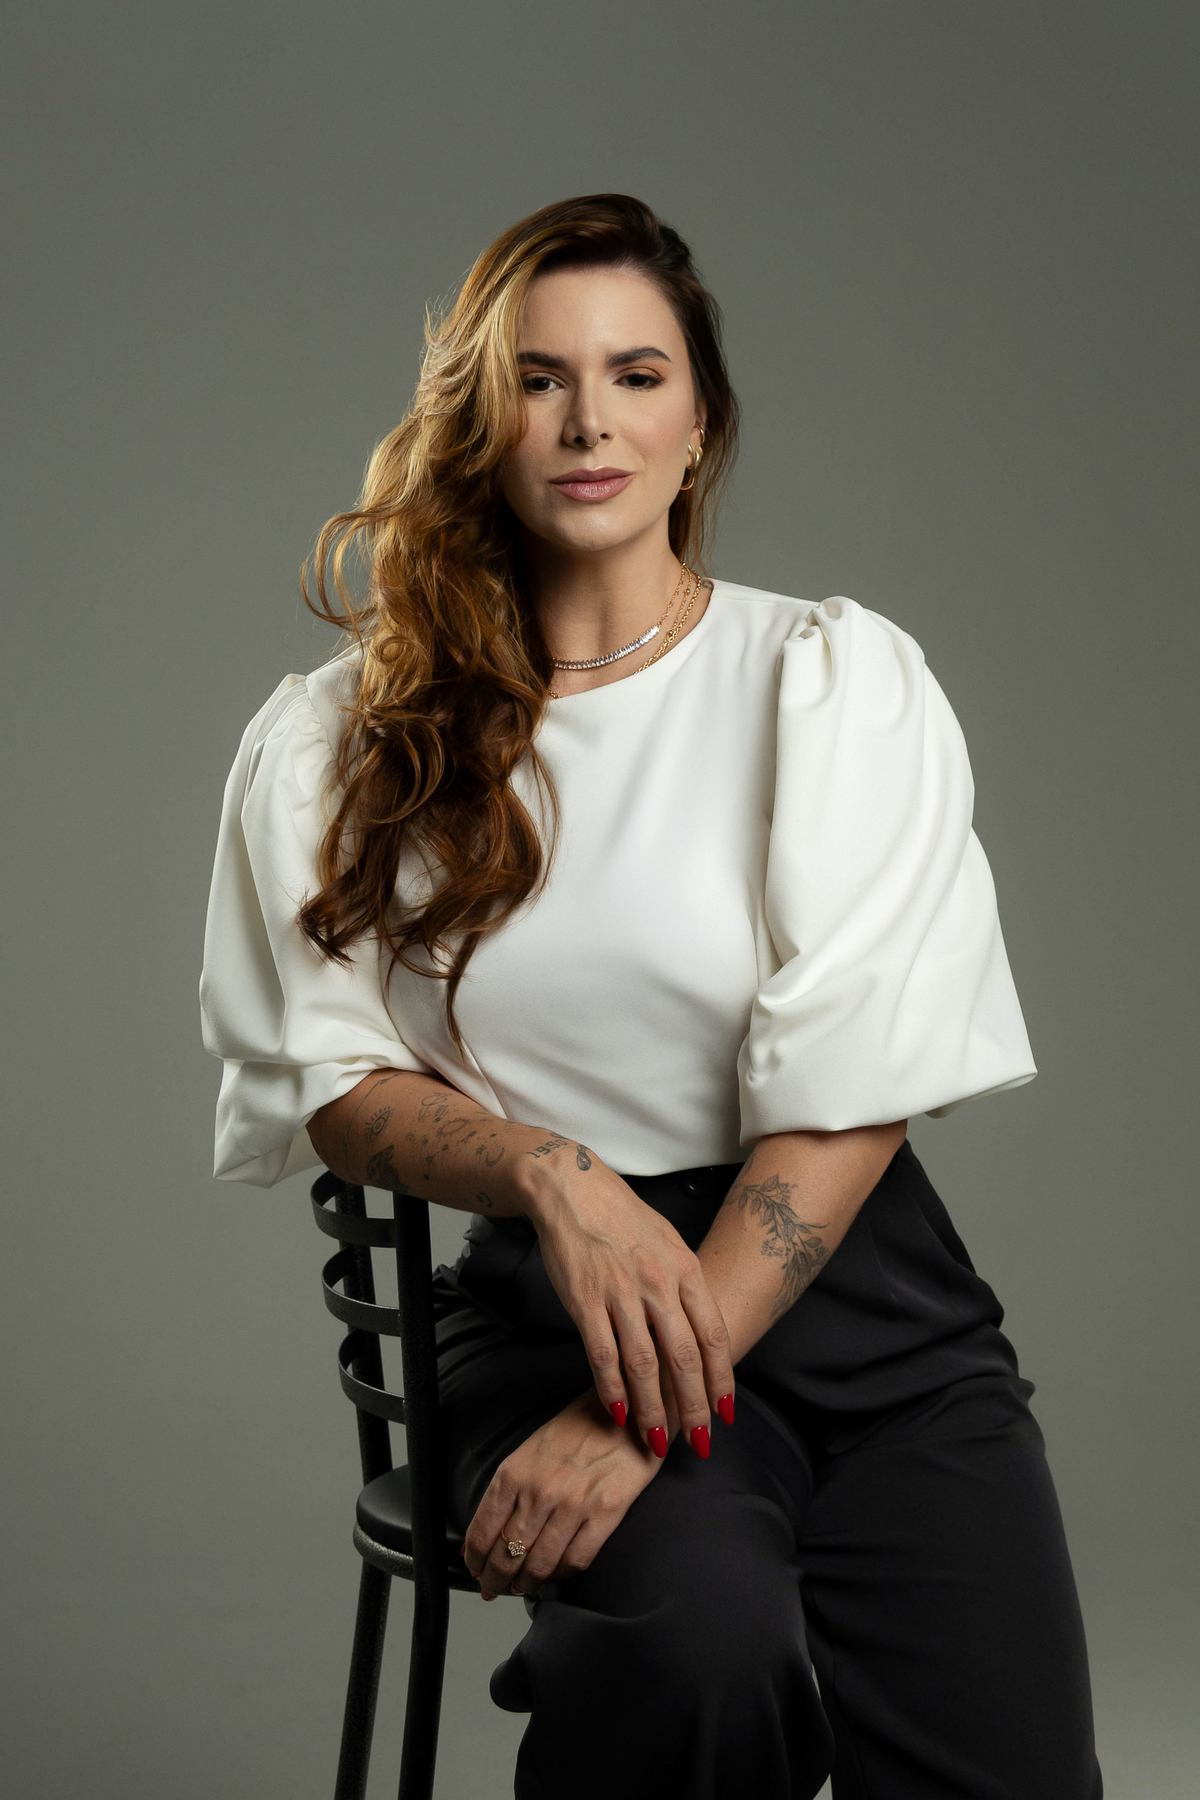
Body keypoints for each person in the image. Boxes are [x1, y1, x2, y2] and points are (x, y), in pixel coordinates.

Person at [200, 194, 1103, 1799]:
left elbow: (855, 1084)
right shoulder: (349, 738)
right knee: (696, 1658)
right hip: (555, 1313)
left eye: (635, 374)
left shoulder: (831, 682)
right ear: (480, 420)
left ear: (702, 423)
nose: (588, 422)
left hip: (868, 1308)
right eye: (538, 379)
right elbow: (328, 1081)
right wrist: (555, 1175)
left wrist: (645, 1419)